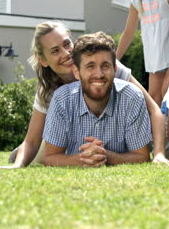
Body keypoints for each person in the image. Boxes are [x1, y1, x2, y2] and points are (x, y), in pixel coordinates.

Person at [0, 21, 169, 169]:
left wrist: (158, 153)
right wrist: (19, 165)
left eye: (67, 44)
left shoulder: (108, 70)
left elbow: (154, 110)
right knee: (38, 156)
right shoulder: (49, 91)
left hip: (103, 138)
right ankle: (18, 156)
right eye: (55, 51)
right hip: (60, 138)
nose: (66, 53)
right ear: (44, 60)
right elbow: (32, 140)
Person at [43, 32, 153, 166]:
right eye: (90, 66)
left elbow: (142, 157)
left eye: (105, 66)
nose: (99, 74)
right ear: (77, 72)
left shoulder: (132, 97)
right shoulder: (62, 99)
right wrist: (83, 159)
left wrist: (105, 156)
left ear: (115, 69)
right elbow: (50, 157)